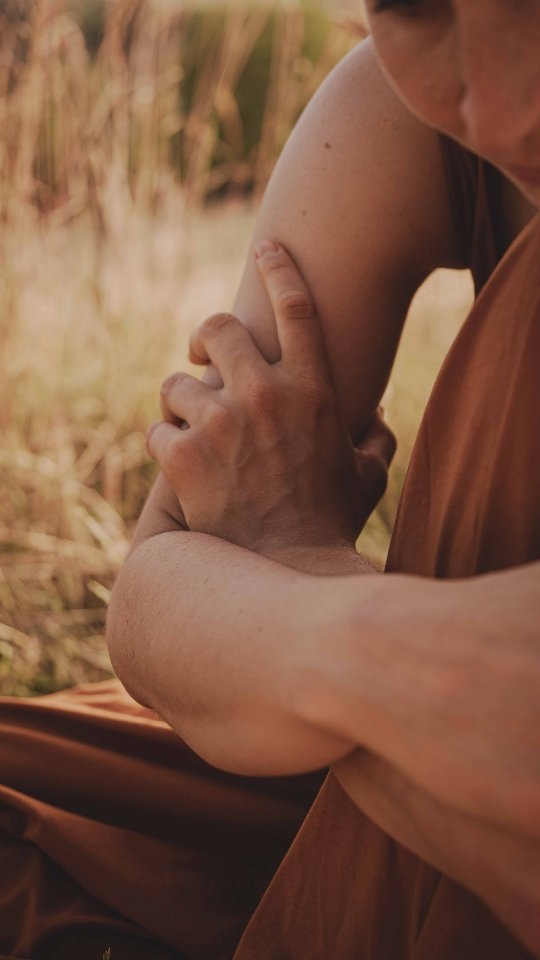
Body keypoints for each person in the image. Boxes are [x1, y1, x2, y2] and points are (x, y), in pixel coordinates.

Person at [1, 1, 539, 958]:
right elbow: (154, 598)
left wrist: (283, 587)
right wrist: (394, 659)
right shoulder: (398, 113)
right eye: (413, 7)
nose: (500, 116)